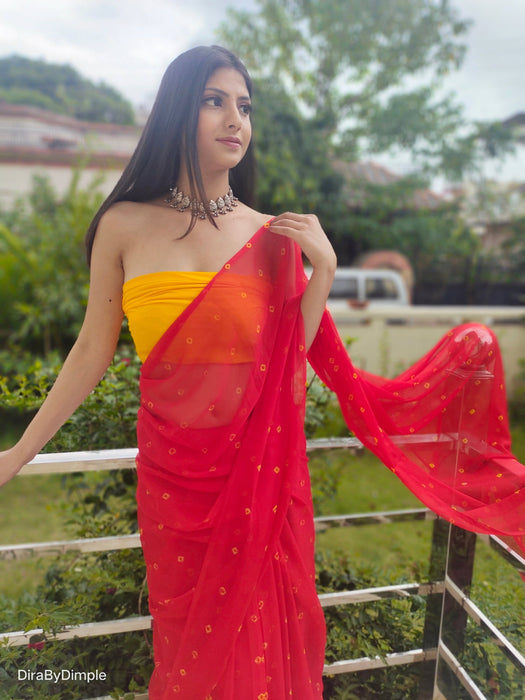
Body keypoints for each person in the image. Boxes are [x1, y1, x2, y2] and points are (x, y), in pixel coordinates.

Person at [0, 45, 524, 699]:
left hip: (254, 473)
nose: (234, 120)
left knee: (255, 648)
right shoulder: (124, 226)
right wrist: (18, 452)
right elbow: (90, 350)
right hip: (173, 480)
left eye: (244, 106)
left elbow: (287, 366)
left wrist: (323, 272)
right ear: (174, 113)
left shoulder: (270, 236)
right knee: (188, 649)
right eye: (213, 101)